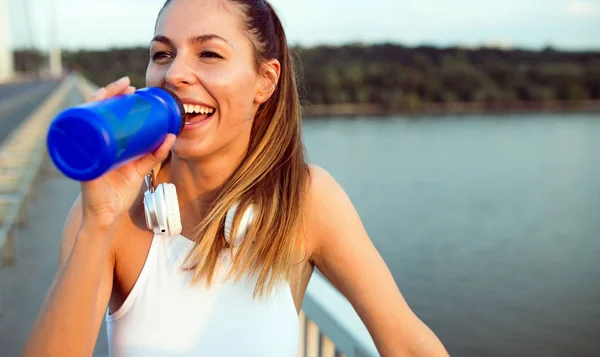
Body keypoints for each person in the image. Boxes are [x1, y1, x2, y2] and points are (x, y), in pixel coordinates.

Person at [22, 0, 449, 356]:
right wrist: (98, 223)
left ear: (264, 81)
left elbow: (407, 344)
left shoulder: (306, 200)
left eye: (208, 54)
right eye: (162, 54)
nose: (174, 75)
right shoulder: (109, 215)